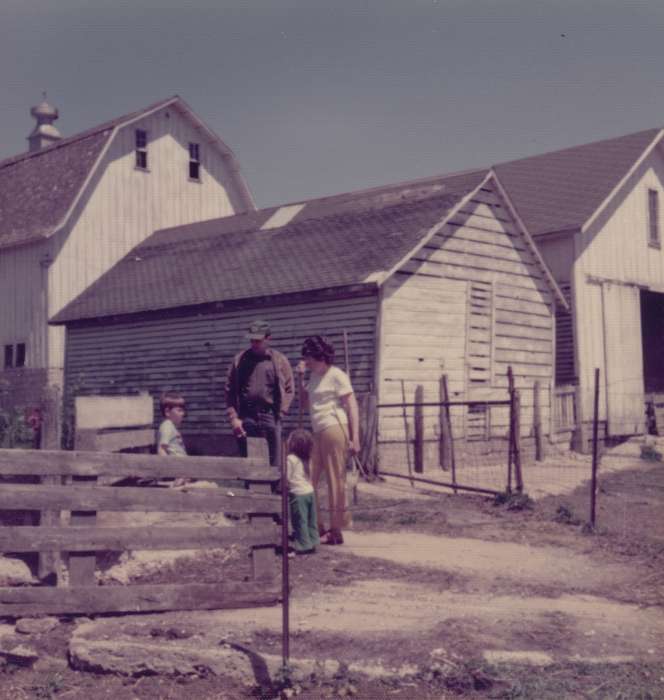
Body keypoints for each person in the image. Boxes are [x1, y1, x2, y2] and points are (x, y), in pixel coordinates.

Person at [296, 335, 359, 545]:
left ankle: (335, 530)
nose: (307, 362)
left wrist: (355, 437)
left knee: (335, 479)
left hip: (335, 429)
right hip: (317, 431)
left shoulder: (337, 375)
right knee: (308, 479)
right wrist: (300, 379)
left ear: (319, 356)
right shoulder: (313, 377)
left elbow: (352, 406)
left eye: (309, 358)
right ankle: (317, 527)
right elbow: (304, 405)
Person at [225, 320, 294, 467]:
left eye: (258, 340)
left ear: (268, 338)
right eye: (252, 340)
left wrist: (282, 411)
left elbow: (289, 389)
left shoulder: (279, 360)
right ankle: (251, 489)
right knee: (249, 460)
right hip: (247, 417)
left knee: (274, 460)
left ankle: (274, 489)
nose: (254, 343)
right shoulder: (240, 360)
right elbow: (229, 390)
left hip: (271, 416)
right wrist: (234, 418)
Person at [286, 429, 319, 555]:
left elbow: (287, 477)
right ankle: (313, 541)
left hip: (298, 494)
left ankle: (303, 546)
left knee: (300, 520)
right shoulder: (308, 459)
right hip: (309, 492)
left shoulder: (291, 459)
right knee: (311, 519)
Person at [157, 391, 189, 487]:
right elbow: (161, 450)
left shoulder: (172, 426)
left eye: (183, 410)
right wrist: (171, 470)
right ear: (167, 412)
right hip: (176, 470)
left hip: (181, 468)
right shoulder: (166, 426)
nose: (183, 414)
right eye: (179, 410)